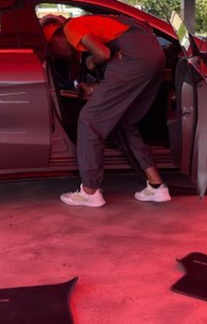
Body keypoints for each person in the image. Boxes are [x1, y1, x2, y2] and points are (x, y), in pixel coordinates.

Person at [43, 14, 171, 208]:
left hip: (133, 60)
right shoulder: (97, 21)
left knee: (89, 120)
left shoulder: (72, 27)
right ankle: (157, 187)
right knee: (125, 122)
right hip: (154, 57)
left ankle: (89, 191)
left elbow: (102, 53)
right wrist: (97, 88)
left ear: (57, 37)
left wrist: (91, 63)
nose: (56, 54)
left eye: (52, 47)